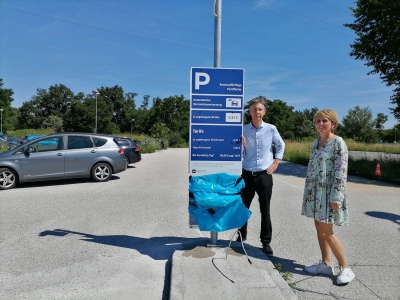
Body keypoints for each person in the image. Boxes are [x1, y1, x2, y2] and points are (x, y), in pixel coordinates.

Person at [302, 109, 355, 285]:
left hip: (329, 194)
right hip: (315, 193)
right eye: (317, 121)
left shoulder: (338, 142)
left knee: (326, 232)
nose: (320, 124)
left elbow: (341, 171)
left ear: (333, 123)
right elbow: (312, 169)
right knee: (318, 227)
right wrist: (308, 192)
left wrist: (336, 197)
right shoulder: (315, 143)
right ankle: (326, 263)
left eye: (324, 120)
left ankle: (346, 268)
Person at [237, 97, 285, 256]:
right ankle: (241, 237)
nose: (257, 112)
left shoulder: (271, 129)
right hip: (247, 175)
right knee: (243, 208)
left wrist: (276, 162)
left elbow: (281, 144)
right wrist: (241, 147)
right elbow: (240, 154)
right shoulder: (242, 129)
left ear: (264, 112)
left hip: (264, 175)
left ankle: (266, 243)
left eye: (260, 109)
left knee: (265, 210)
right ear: (249, 112)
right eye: (254, 109)